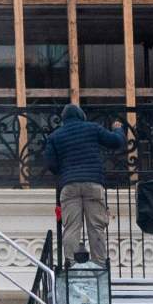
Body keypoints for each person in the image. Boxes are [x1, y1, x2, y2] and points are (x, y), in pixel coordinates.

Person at [42, 102, 124, 264]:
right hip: (93, 183)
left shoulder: (55, 136)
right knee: (96, 227)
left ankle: (70, 267)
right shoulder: (92, 128)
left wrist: (65, 171)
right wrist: (118, 129)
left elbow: (51, 164)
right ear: (81, 116)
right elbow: (116, 142)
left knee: (71, 227)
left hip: (69, 185)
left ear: (64, 119)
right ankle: (99, 265)